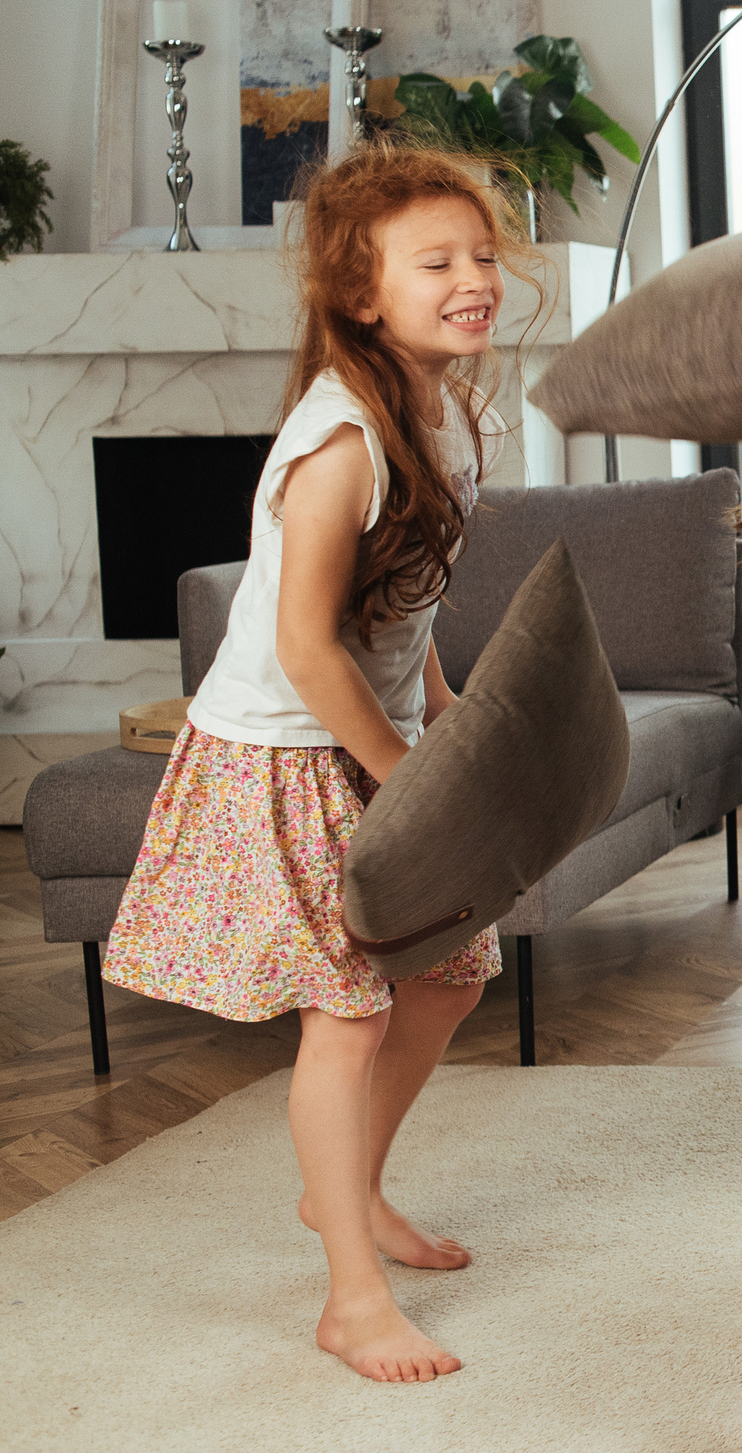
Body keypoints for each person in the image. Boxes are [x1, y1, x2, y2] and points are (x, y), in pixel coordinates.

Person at [102, 142, 526, 1381]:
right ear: (360, 292)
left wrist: (444, 716)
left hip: (364, 739)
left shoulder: (443, 406)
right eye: (436, 261)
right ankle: (350, 1292)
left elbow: (397, 609)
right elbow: (303, 647)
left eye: (483, 255)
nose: (472, 279)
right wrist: (402, 766)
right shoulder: (340, 437)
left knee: (447, 974)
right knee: (345, 1014)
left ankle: (349, 1192)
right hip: (285, 757)